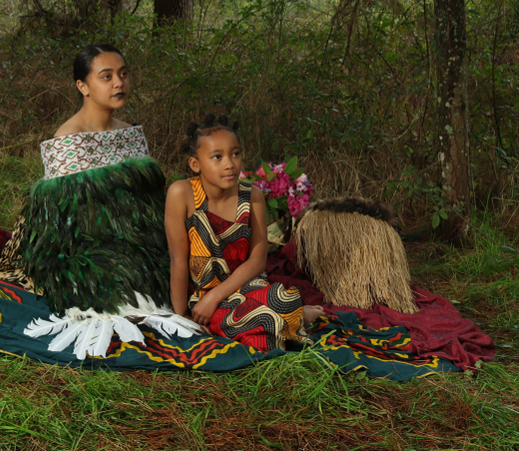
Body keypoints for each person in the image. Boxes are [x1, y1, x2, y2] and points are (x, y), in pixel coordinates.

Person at [21, 44, 198, 359]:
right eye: (106, 77)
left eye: (123, 74)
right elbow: (66, 227)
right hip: (91, 249)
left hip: (143, 238)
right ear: (83, 86)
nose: (119, 83)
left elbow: (150, 205)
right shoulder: (67, 140)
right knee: (134, 291)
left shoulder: (130, 133)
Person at [164, 114, 324, 351]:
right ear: (195, 164)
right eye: (217, 157)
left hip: (245, 287)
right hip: (204, 296)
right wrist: (182, 317)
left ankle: (296, 313)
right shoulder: (182, 194)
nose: (229, 164)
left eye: (235, 153)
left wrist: (215, 297)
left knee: (284, 298)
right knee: (258, 323)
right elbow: (178, 260)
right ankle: (294, 318)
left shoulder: (252, 196)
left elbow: (257, 261)